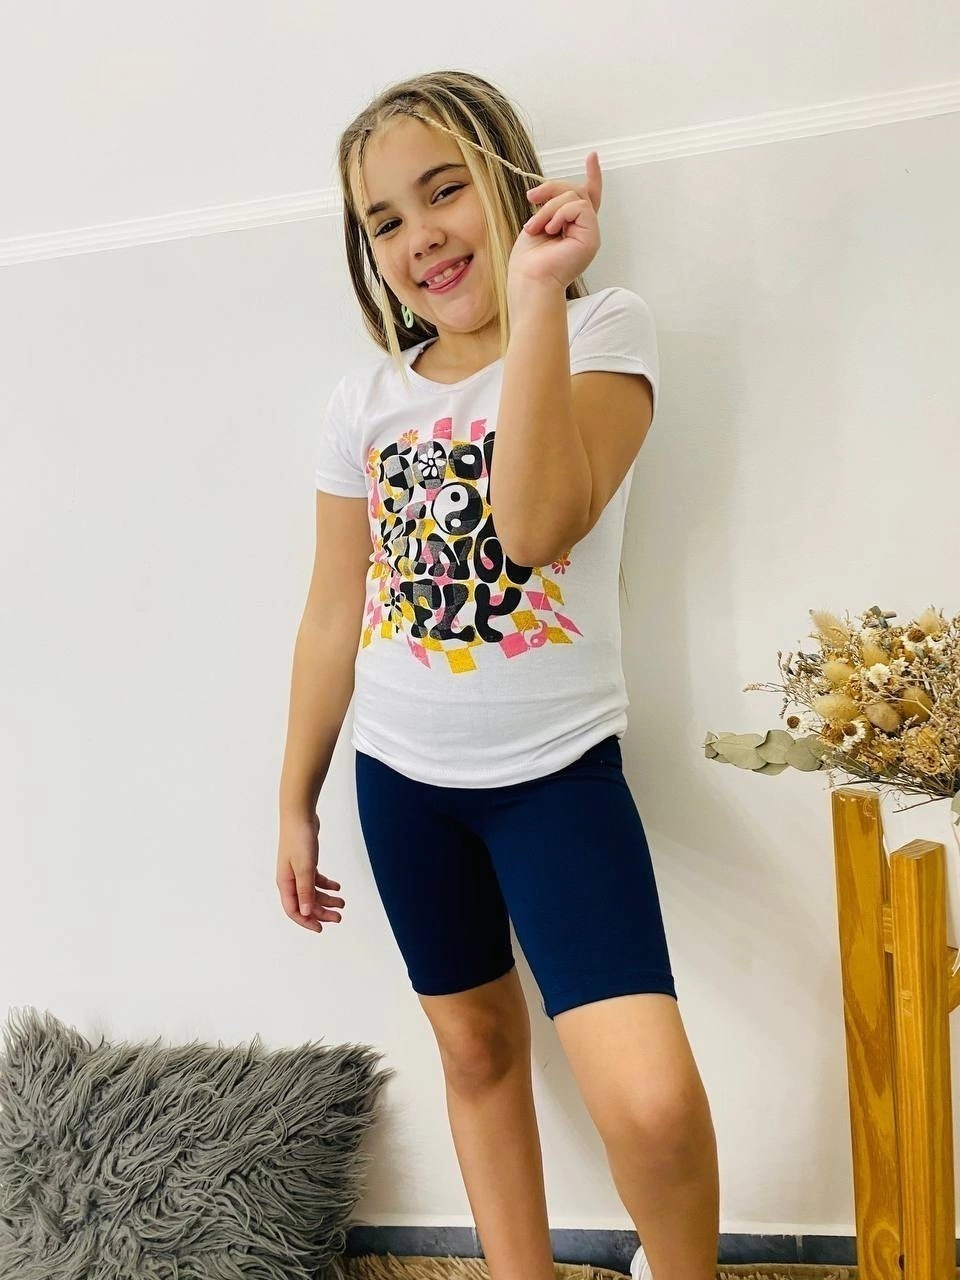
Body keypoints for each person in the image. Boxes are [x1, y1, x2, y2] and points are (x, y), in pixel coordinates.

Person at [277, 70, 719, 1280]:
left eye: (443, 191)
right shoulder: (363, 400)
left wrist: (534, 296)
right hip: (402, 782)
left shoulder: (604, 328)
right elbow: (333, 610)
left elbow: (534, 525)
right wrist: (294, 795)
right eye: (383, 219)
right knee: (475, 1051)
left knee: (651, 1104)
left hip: (555, 780)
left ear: (508, 180)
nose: (419, 235)